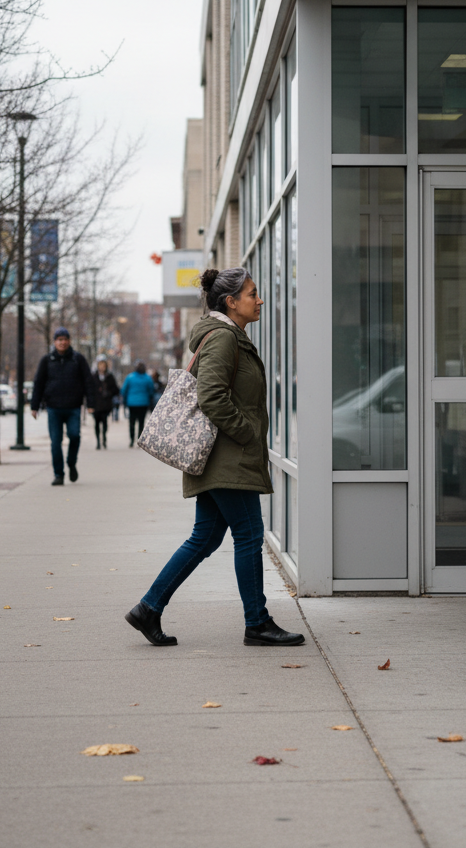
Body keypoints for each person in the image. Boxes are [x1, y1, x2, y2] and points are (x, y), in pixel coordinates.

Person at [125, 266, 305, 649]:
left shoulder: (227, 336)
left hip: (220, 458)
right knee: (249, 535)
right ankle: (257, 622)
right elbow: (211, 396)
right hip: (227, 459)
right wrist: (248, 432)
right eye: (252, 294)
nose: (259, 300)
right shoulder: (224, 338)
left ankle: (148, 608)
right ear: (230, 301)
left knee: (204, 538)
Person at [30, 327, 94, 486]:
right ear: (54, 342)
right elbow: (38, 383)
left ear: (69, 341)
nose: (62, 342)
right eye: (59, 339)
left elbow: (88, 382)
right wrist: (34, 405)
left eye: (65, 339)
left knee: (74, 436)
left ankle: (71, 462)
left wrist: (91, 403)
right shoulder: (47, 360)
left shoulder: (78, 359)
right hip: (53, 407)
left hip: (73, 407)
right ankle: (58, 474)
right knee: (55, 442)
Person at [120, 361, 156, 447]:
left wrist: (125, 399)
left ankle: (132, 440)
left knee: (132, 422)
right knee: (141, 422)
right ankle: (139, 439)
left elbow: (123, 390)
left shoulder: (130, 377)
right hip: (143, 403)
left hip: (132, 403)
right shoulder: (147, 378)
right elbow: (151, 390)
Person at [91, 354, 119, 450]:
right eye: (100, 365)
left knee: (104, 422)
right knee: (97, 423)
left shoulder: (109, 376)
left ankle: (104, 438)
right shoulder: (93, 376)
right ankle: (98, 441)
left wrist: (109, 393)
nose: (102, 367)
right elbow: (90, 390)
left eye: (103, 365)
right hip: (96, 404)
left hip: (106, 404)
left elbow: (115, 389)